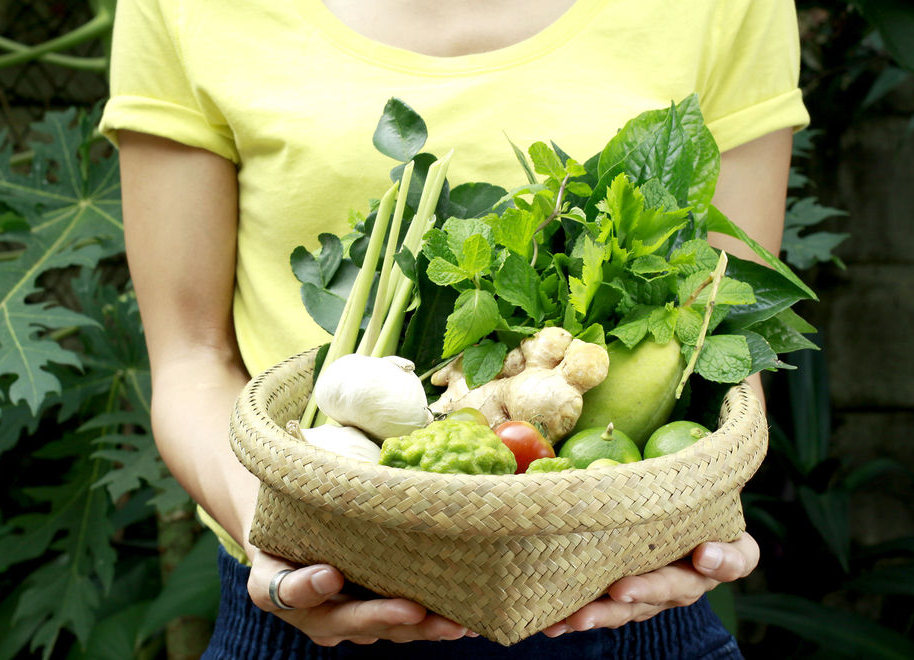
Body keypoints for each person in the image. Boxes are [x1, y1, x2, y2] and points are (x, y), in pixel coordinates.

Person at [99, 0, 808, 657]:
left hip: (627, 611)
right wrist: (292, 533)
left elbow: (723, 335)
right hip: (307, 618)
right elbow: (191, 358)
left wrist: (703, 514)